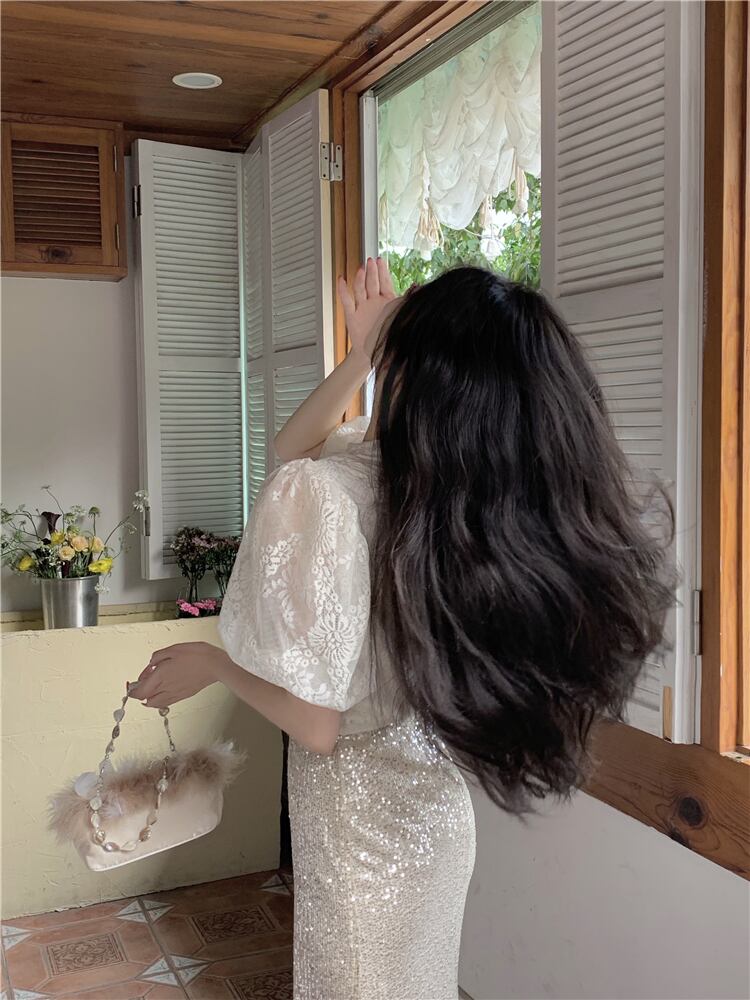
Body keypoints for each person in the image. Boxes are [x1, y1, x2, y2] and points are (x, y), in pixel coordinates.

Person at [132, 259, 673, 1000]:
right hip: (430, 818)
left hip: (359, 831)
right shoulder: (439, 491)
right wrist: (365, 354)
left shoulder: (337, 493)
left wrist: (215, 665)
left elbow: (319, 727)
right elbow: (295, 445)